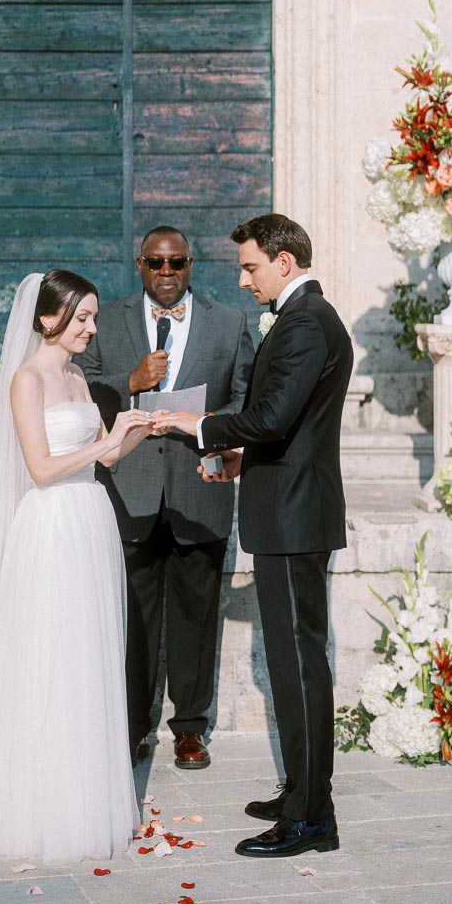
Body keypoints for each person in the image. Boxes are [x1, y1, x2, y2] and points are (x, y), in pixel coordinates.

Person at [0, 269, 156, 864]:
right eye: (81, 318)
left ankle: (85, 795)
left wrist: (134, 429)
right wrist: (100, 444)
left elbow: (103, 458)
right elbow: (41, 468)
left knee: (87, 657)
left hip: (89, 519)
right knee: (49, 657)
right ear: (46, 320)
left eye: (91, 318)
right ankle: (40, 804)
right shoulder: (28, 379)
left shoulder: (78, 377)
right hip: (51, 523)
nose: (92, 328)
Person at [157, 214, 353, 858]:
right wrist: (246, 456)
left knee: (298, 668)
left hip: (294, 517)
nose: (244, 280)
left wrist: (201, 425)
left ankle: (308, 817)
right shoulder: (303, 319)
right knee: (295, 664)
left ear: (286, 263)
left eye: (250, 266)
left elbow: (270, 415)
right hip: (287, 507)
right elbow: (287, 424)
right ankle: (302, 790)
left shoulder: (304, 323)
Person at [77, 226, 253, 770]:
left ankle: (190, 729)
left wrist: (213, 431)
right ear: (140, 265)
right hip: (129, 490)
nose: (167, 273)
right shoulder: (105, 321)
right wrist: (131, 380)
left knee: (197, 617)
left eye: (177, 263)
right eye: (156, 264)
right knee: (133, 619)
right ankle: (131, 728)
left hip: (199, 485)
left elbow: (248, 395)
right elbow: (80, 389)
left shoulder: (229, 322)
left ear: (192, 264)